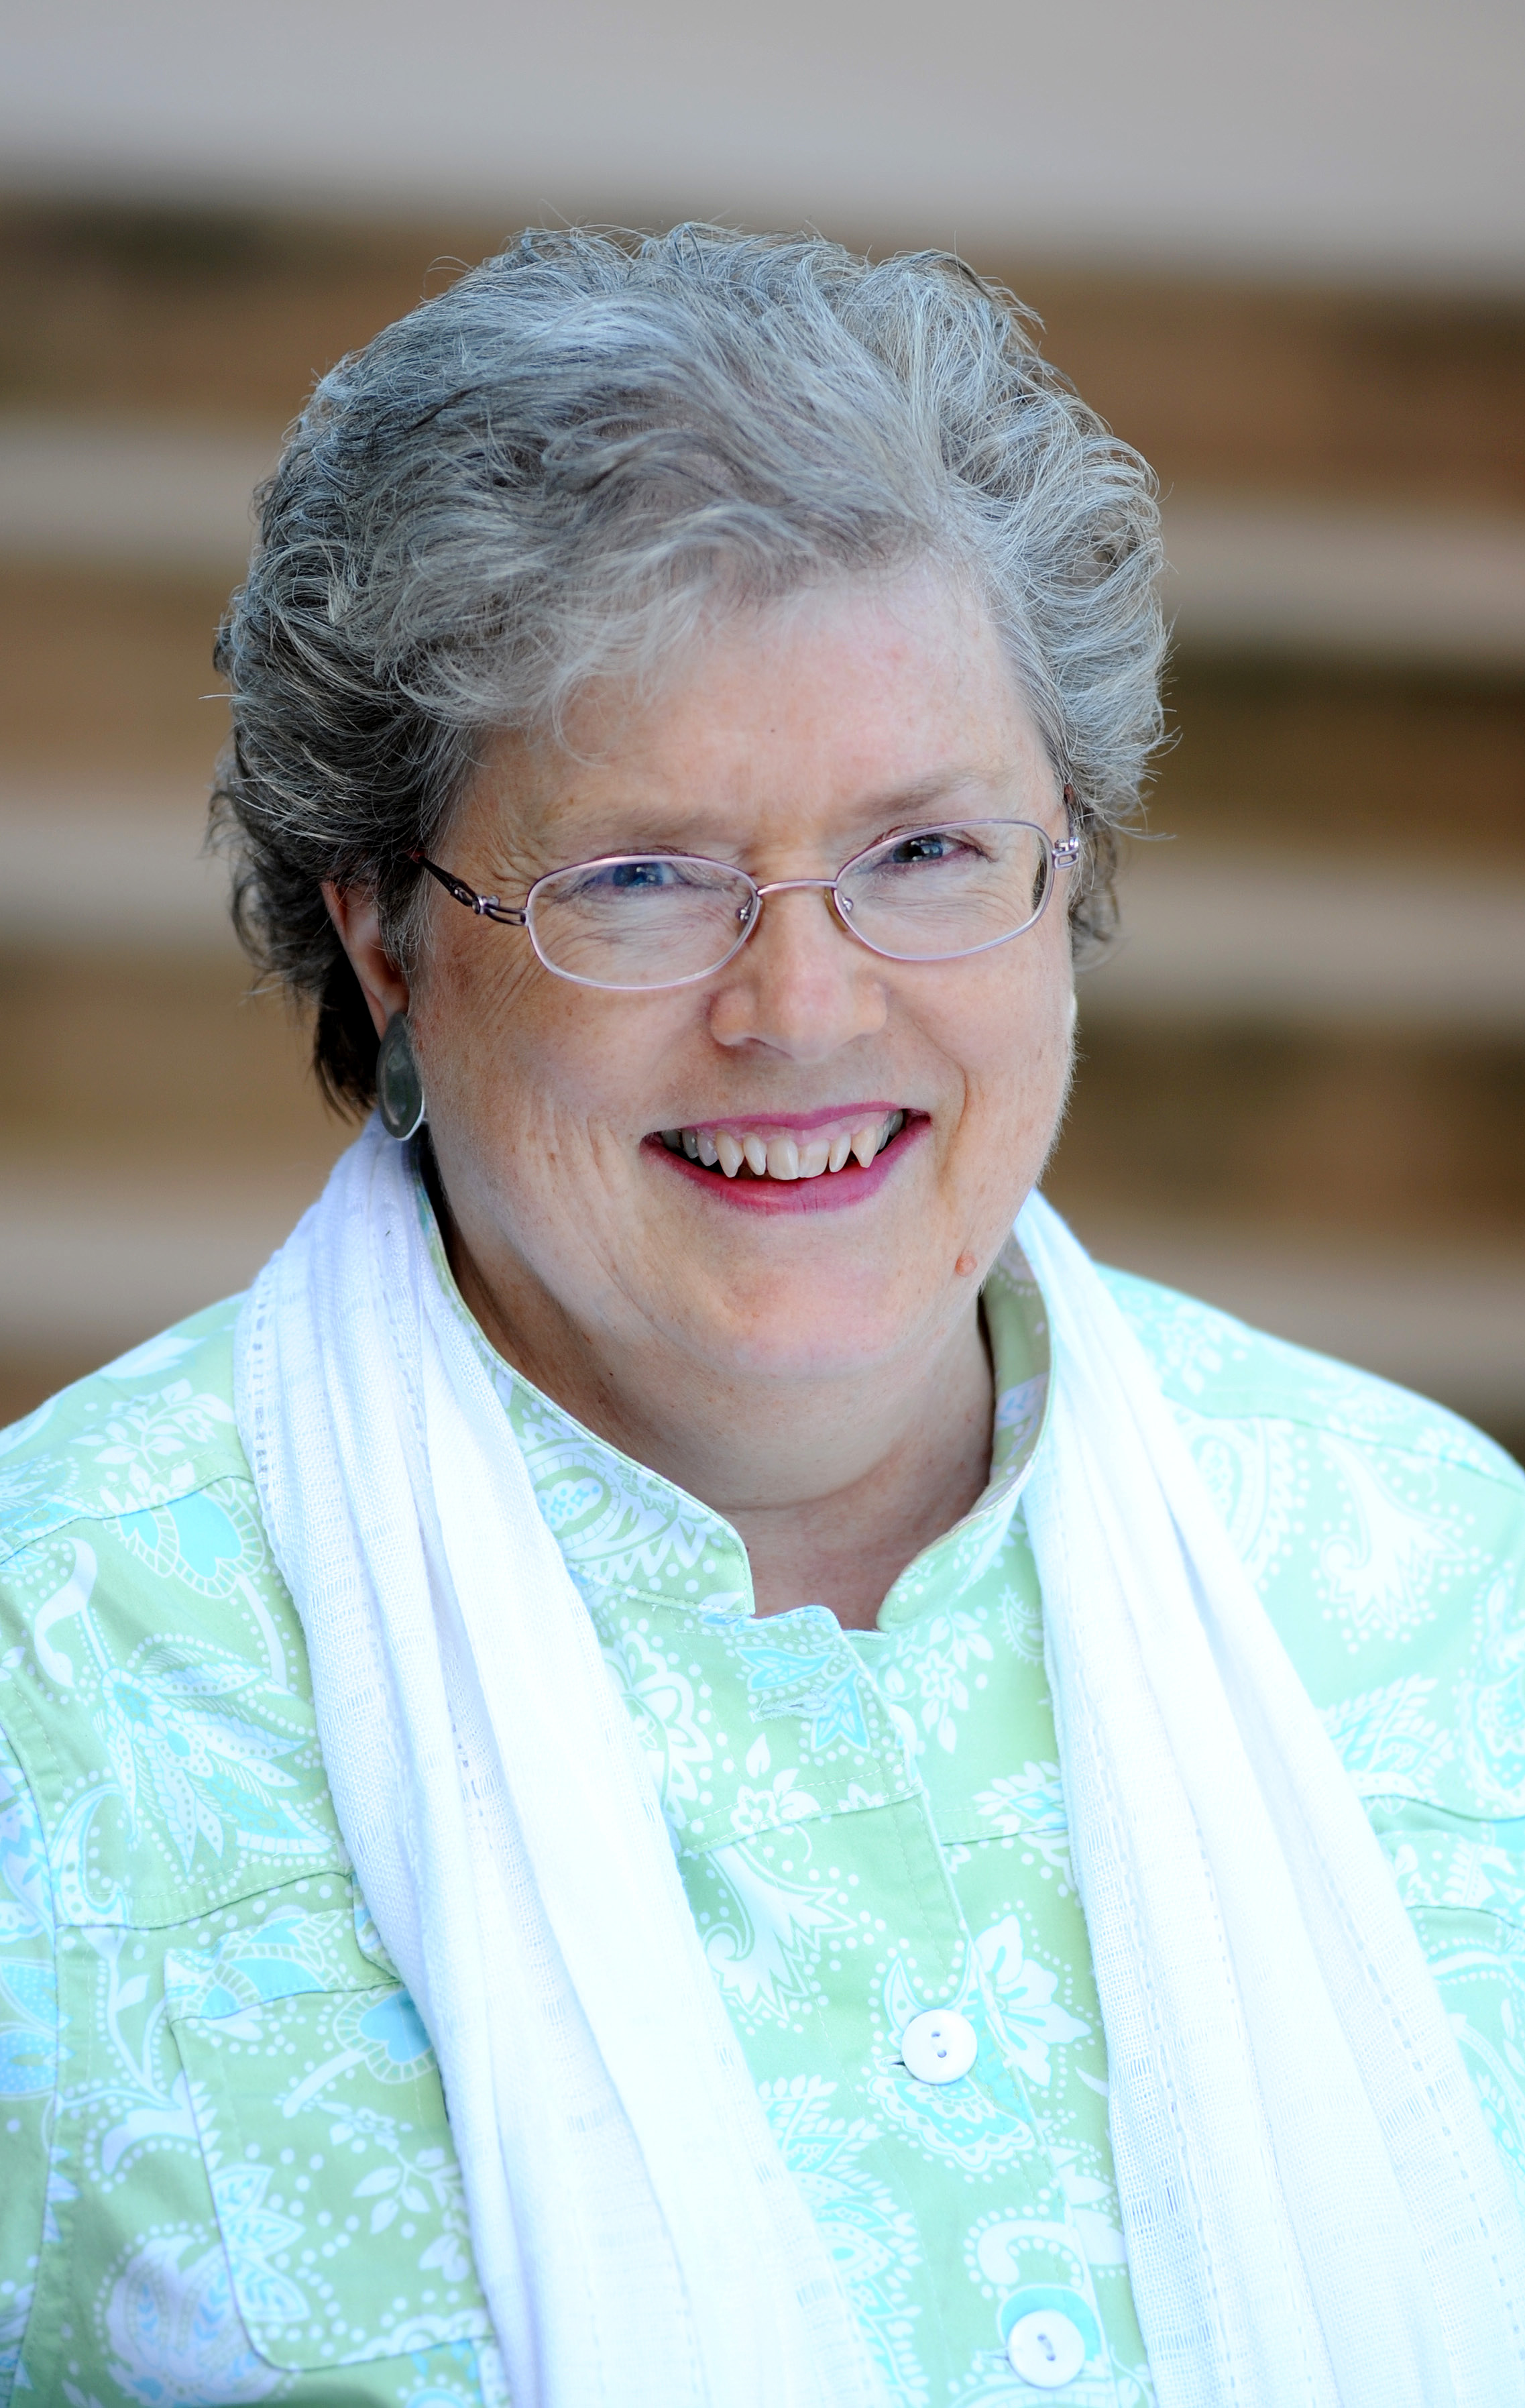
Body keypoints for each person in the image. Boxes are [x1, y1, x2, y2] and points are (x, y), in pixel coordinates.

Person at [1, 228, 1522, 2408]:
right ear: (382, 939)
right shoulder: (51, 1687)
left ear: (1064, 879)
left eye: (922, 851)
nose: (800, 1008)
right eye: (639, 877)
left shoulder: (1436, 1594)